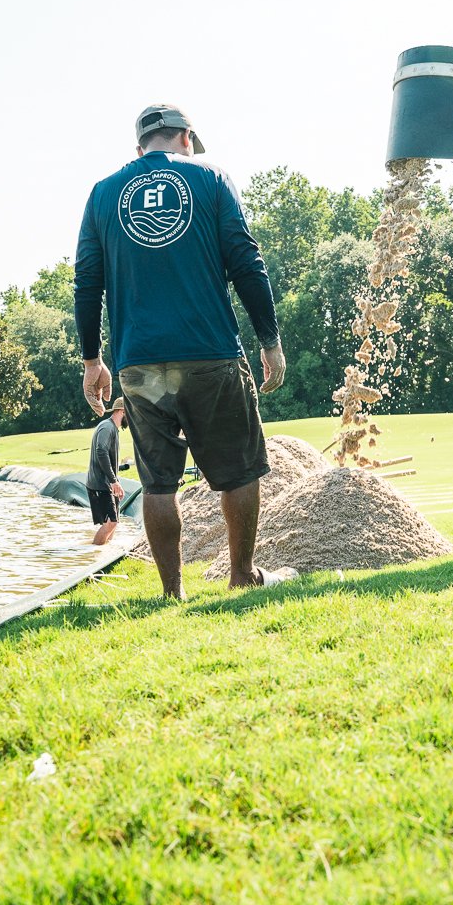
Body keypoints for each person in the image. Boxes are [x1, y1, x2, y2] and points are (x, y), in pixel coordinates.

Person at [74, 103, 294, 600]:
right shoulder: (211, 178)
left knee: (158, 482)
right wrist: (269, 341)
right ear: (187, 139)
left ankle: (172, 593)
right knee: (238, 468)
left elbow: (87, 282)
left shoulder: (104, 193)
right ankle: (242, 575)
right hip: (210, 353)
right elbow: (246, 261)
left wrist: (93, 360)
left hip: (139, 363)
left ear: (139, 149)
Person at [87, 397, 127, 545]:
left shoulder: (113, 429)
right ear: (122, 411)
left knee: (114, 522)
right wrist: (113, 481)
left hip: (108, 483)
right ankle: (94, 555)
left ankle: (105, 552)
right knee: (111, 523)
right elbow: (101, 451)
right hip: (100, 484)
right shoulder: (107, 427)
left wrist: (116, 482)